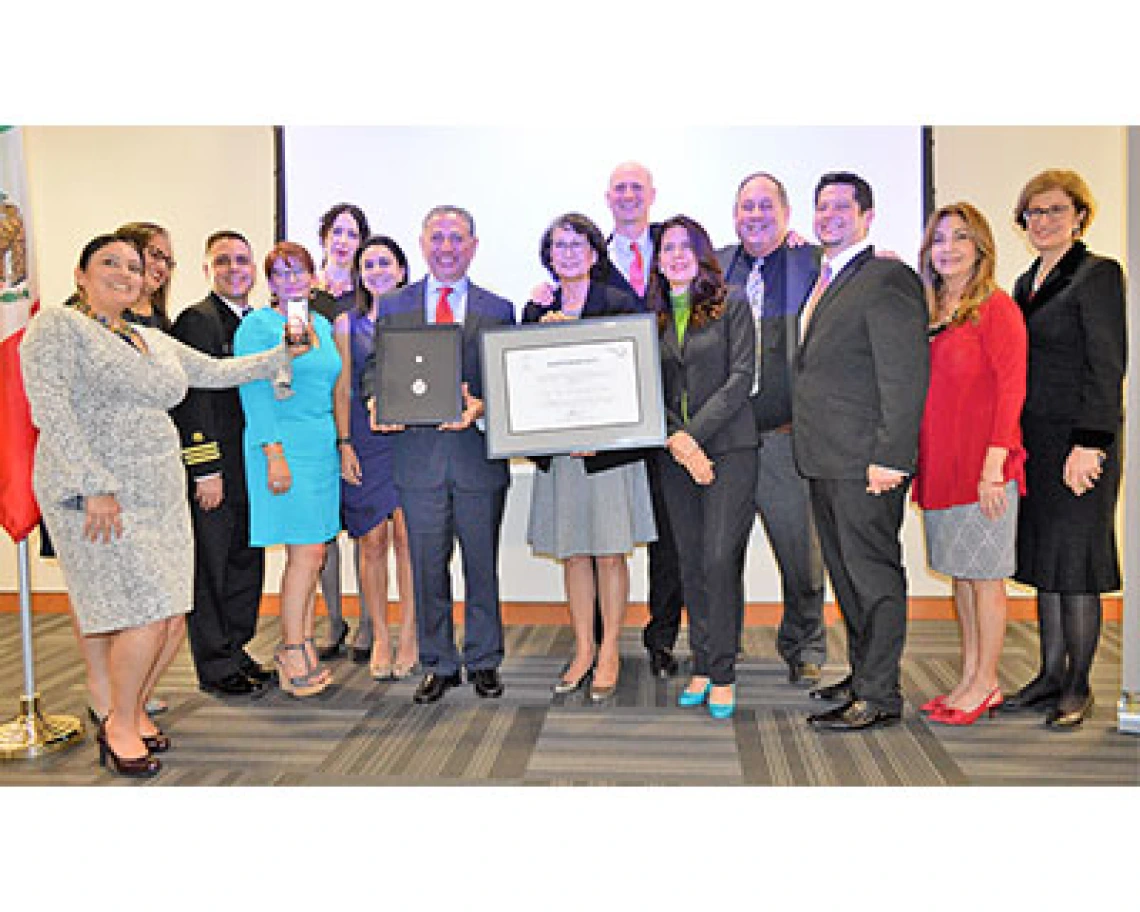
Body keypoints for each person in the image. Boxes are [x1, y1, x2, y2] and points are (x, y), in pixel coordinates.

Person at [21, 233, 295, 776]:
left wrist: (284, 353)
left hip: (161, 492)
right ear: (80, 274)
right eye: (110, 263)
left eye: (134, 264)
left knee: (170, 615)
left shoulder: (147, 337)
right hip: (101, 495)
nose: (126, 273)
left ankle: (132, 709)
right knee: (144, 612)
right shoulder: (57, 327)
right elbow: (51, 412)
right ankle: (119, 724)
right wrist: (93, 484)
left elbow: (217, 372)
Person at [361, 205, 515, 704]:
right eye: (438, 238)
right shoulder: (395, 305)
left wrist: (485, 405)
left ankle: (484, 661)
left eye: (457, 238)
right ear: (423, 244)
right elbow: (376, 370)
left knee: (481, 565)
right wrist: (373, 400)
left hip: (476, 458)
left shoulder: (499, 309)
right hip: (418, 458)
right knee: (427, 566)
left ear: (473, 246)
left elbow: (507, 382)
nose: (447, 247)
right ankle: (438, 662)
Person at [793, 171, 929, 732]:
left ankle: (881, 694)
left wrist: (893, 456)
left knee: (873, 577)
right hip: (826, 459)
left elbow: (904, 375)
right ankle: (862, 677)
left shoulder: (888, 277)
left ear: (867, 216)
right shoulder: (827, 278)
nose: (829, 216)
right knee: (847, 578)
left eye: (841, 207)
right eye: (821, 207)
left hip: (865, 463)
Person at [1001, 169, 1127, 729]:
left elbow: (1107, 364)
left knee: (1076, 565)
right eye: (1033, 212)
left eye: (1054, 210)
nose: (1043, 221)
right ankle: (1049, 673)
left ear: (1079, 215)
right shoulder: (1027, 280)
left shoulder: (1097, 274)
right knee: (1047, 564)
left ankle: (1079, 686)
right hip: (1036, 443)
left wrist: (1090, 444)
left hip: (1079, 442)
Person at [523, 213, 656, 701]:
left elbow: (636, 378)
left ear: (596, 254)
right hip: (560, 457)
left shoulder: (619, 304)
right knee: (573, 551)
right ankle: (582, 648)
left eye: (579, 244)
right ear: (549, 254)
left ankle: (609, 651)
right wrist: (542, 332)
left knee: (609, 552)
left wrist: (604, 433)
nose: (569, 253)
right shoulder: (538, 308)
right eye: (560, 245)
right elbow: (527, 382)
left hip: (608, 456)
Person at [912, 203, 1027, 725]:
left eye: (960, 238)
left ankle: (986, 682)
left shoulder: (996, 307)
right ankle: (970, 676)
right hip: (942, 466)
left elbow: (1011, 391)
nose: (948, 248)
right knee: (961, 576)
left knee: (986, 579)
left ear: (980, 247)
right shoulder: (933, 310)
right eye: (939, 239)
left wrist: (993, 469)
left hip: (985, 469)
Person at [715, 171, 827, 686]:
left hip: (785, 438)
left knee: (800, 555)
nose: (754, 215)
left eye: (765, 206)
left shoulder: (812, 261)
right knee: (721, 551)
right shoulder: (713, 266)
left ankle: (803, 645)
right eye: (745, 207)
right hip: (728, 442)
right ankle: (722, 646)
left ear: (785, 214)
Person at [653, 215, 757, 720]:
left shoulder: (731, 303)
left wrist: (694, 439)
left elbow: (741, 379)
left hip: (730, 450)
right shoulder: (650, 315)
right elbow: (645, 387)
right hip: (674, 454)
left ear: (701, 253)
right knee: (690, 561)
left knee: (719, 559)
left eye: (683, 246)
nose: (674, 255)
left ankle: (723, 671)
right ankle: (700, 662)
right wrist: (679, 439)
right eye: (665, 248)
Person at [169, 230, 274, 696]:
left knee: (244, 562)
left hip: (250, 464)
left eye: (243, 261)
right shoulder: (197, 321)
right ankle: (215, 664)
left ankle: (237, 647)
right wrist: (204, 469)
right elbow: (191, 403)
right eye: (224, 261)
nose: (235, 269)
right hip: (218, 469)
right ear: (207, 269)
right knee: (212, 568)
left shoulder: (256, 322)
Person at [235, 241, 342, 698]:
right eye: (279, 273)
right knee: (306, 555)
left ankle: (301, 641)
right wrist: (273, 452)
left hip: (320, 446)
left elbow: (331, 386)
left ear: (312, 277)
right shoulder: (258, 326)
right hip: (282, 445)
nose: (290, 280)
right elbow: (254, 393)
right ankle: (291, 647)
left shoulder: (318, 324)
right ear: (270, 282)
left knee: (313, 552)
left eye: (297, 271)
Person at [603, 162, 687, 678]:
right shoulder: (589, 257)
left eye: (638, 188)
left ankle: (661, 640)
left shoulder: (678, 248)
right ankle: (598, 639)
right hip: (610, 422)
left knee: (669, 539)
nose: (629, 196)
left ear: (652, 194)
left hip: (670, 418)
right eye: (620, 189)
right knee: (603, 537)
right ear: (607, 198)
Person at [333, 235, 417, 680]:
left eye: (386, 262)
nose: (378, 270)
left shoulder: (420, 318)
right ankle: (381, 634)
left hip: (408, 443)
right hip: (365, 442)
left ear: (402, 270)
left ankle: (410, 635)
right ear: (359, 274)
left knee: (408, 541)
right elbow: (343, 388)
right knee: (372, 543)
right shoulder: (346, 324)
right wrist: (344, 443)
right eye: (369, 264)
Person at [311, 203, 371, 661]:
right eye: (337, 232)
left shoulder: (372, 294)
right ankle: (333, 617)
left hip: (360, 427)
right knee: (323, 532)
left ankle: (369, 621)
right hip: (314, 426)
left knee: (365, 527)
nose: (344, 241)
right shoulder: (303, 297)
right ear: (324, 237)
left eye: (353, 233)